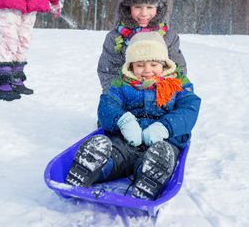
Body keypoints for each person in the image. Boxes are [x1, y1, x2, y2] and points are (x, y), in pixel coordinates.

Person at [65, 32, 201, 200]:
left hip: (163, 140)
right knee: (117, 155)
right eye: (140, 65)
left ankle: (149, 177)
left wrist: (165, 126)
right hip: (127, 138)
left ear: (164, 64)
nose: (147, 71)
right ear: (130, 66)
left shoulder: (177, 83)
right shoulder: (122, 84)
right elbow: (107, 105)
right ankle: (92, 168)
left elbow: (189, 108)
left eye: (153, 64)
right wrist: (123, 121)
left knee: (161, 156)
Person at [97, 0, 187, 94]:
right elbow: (108, 71)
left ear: (159, 8)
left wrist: (169, 94)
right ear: (128, 8)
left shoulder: (168, 37)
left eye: (150, 7)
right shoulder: (115, 38)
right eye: (137, 7)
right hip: (127, 97)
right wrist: (116, 97)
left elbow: (178, 70)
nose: (144, 13)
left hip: (161, 98)